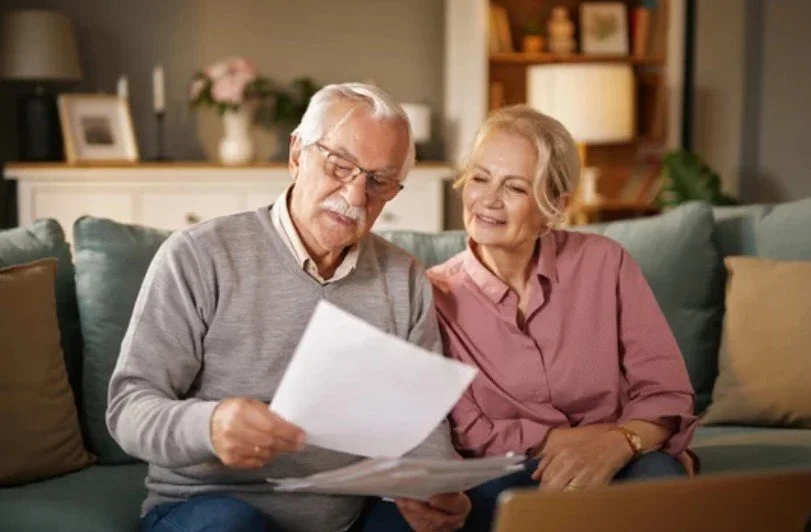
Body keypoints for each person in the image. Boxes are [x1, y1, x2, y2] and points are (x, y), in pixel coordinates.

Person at [106, 83, 470, 532]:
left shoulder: (404, 278)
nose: (356, 197)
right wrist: (210, 424)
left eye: (379, 182)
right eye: (340, 166)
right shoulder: (199, 255)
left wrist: (434, 487)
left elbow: (422, 421)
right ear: (297, 154)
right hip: (208, 508)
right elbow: (127, 409)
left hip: (347, 514)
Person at [427, 105, 698, 530]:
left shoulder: (605, 263)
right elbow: (467, 430)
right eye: (480, 178)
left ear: (554, 207)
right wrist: (585, 442)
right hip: (504, 471)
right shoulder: (434, 295)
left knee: (658, 481)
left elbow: (665, 391)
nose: (488, 200)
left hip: (621, 459)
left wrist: (619, 444)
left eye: (515, 188)